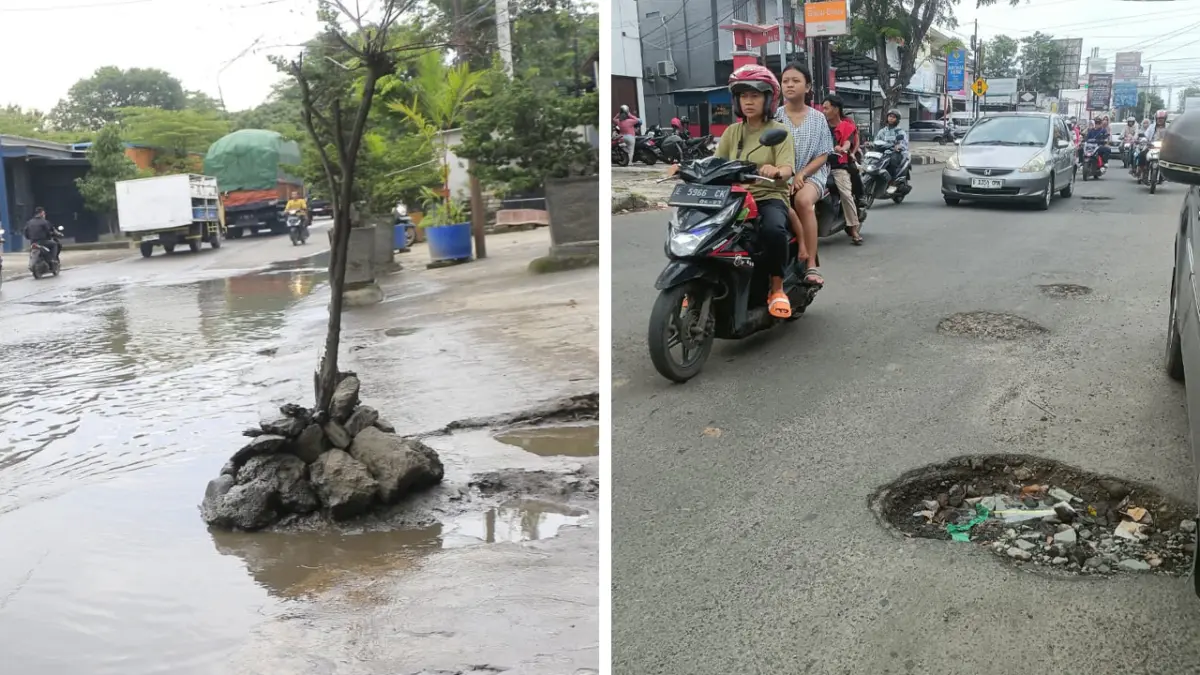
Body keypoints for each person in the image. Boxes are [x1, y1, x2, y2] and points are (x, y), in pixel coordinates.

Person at [670, 64, 797, 318]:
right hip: (732, 198)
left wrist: (776, 171)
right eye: (743, 96)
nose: (748, 101)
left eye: (755, 96)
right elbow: (716, 162)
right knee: (699, 229)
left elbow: (787, 168)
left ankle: (777, 288)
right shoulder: (731, 132)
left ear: (768, 99)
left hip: (767, 197)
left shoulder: (780, 131)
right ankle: (695, 282)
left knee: (773, 230)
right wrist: (685, 168)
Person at [776, 62, 834, 288]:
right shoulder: (775, 117)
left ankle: (811, 263)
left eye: (795, 80)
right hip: (782, 174)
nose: (789, 85)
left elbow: (823, 155)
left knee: (802, 201)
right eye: (785, 81)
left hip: (812, 174)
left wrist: (802, 174)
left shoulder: (818, 118)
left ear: (808, 86)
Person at [821, 94, 863, 245]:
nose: (823, 111)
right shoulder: (820, 125)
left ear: (836, 109)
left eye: (826, 108)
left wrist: (842, 149)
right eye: (823, 108)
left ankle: (854, 228)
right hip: (819, 166)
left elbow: (847, 142)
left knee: (846, 194)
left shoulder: (847, 126)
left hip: (838, 167)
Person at [874, 109, 910, 190]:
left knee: (892, 161)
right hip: (884, 152)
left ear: (897, 119)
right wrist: (870, 144)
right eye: (890, 116)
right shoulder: (882, 131)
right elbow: (876, 141)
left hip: (896, 153)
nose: (891, 118)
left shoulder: (900, 131)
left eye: (893, 117)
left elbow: (904, 143)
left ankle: (892, 182)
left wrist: (899, 146)